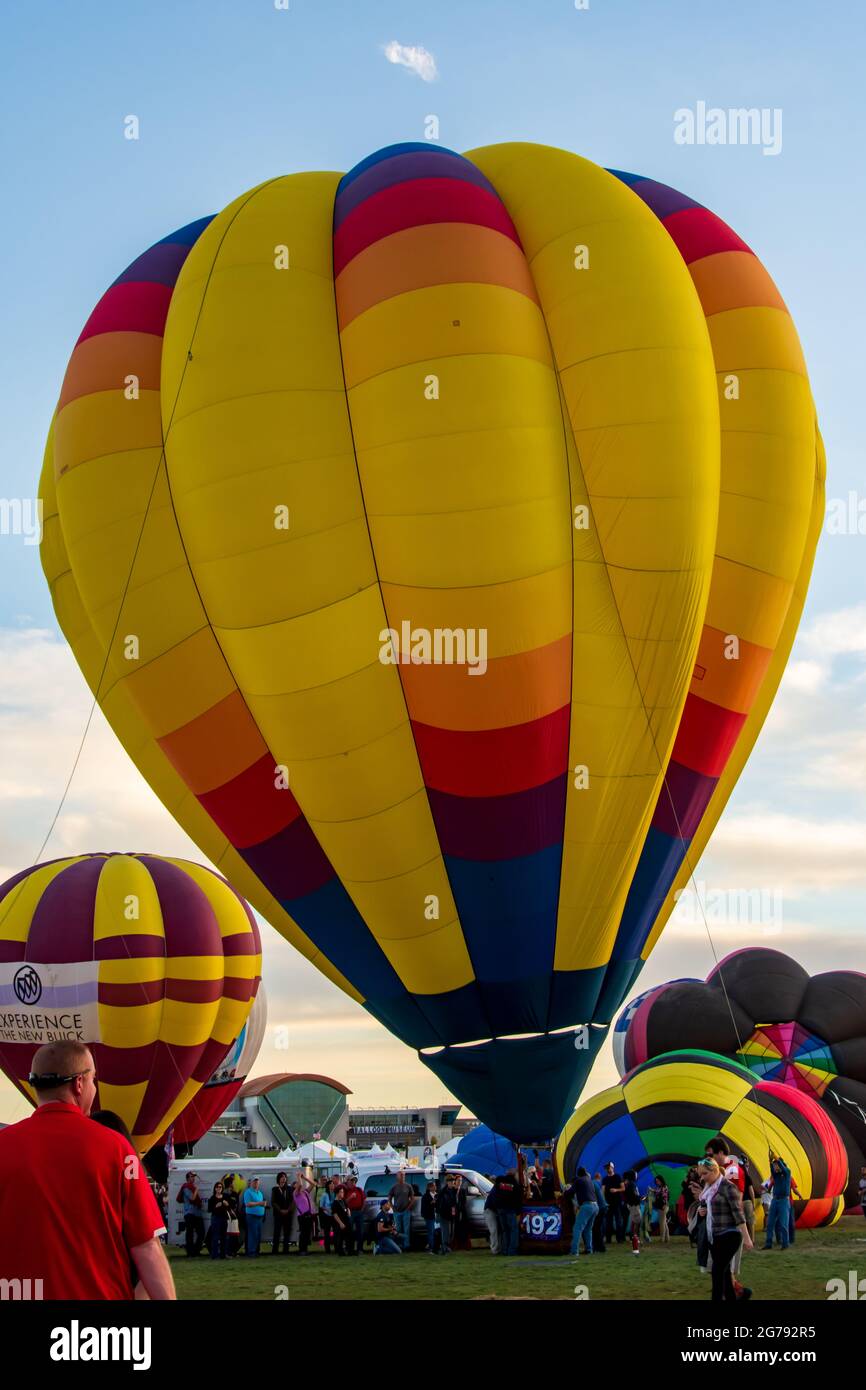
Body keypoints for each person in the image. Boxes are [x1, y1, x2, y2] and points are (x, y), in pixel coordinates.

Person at [0, 1041, 173, 1300]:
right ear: (79, 1084)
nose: (94, 1088)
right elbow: (147, 1246)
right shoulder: (117, 1149)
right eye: (93, 1080)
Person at [689, 1157, 752, 1302]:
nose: (702, 1177)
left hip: (730, 1235)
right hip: (715, 1236)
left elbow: (738, 1214)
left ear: (715, 1170)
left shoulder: (728, 1187)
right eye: (701, 1175)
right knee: (724, 1274)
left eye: (705, 1174)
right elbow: (708, 1207)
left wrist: (747, 1238)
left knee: (717, 1272)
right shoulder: (709, 1188)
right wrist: (703, 1212)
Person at [566, 1167, 598, 1257]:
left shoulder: (579, 1180)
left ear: (578, 1174)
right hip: (595, 1206)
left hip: (587, 1206)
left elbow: (570, 1192)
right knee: (588, 1229)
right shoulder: (589, 1180)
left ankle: (574, 1251)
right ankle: (589, 1249)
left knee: (577, 1228)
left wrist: (564, 1193)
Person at [764, 1155, 792, 1251]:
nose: (775, 1167)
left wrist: (777, 1160)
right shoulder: (776, 1175)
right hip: (775, 1200)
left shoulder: (787, 1172)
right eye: (775, 1166)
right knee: (770, 1223)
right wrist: (770, 1161)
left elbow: (783, 1168)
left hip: (784, 1201)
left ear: (781, 1165)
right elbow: (771, 1169)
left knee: (783, 1224)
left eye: (777, 1165)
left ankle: (785, 1243)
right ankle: (768, 1243)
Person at [177, 1169, 205, 1257]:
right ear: (188, 1178)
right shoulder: (186, 1187)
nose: (193, 1178)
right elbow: (192, 1198)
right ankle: (190, 1252)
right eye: (192, 1177)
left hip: (197, 1213)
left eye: (194, 1177)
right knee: (190, 1233)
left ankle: (196, 1251)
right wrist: (196, 1190)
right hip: (189, 1213)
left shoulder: (191, 1187)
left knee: (201, 1232)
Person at [495, 1169, 523, 1256]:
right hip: (510, 1209)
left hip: (500, 1209)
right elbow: (518, 1200)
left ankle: (504, 1250)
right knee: (513, 1230)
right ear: (514, 1175)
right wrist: (518, 1212)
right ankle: (512, 1251)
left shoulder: (500, 1182)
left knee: (505, 1231)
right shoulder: (515, 1185)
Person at [388, 1171, 416, 1252]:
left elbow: (413, 1198)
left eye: (403, 1175)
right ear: (397, 1177)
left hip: (406, 1211)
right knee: (399, 1229)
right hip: (397, 1212)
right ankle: (399, 1246)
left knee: (406, 1229)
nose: (403, 1177)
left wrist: (408, 1208)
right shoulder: (394, 1187)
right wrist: (392, 1207)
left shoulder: (408, 1186)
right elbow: (389, 1197)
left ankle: (407, 1246)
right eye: (401, 1175)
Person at [602, 1162, 626, 1243]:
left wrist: (616, 1190)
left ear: (613, 1167)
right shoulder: (605, 1179)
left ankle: (619, 1239)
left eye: (609, 1167)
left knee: (618, 1221)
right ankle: (608, 1239)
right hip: (608, 1203)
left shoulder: (618, 1177)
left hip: (617, 1203)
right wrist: (603, 1201)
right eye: (607, 1168)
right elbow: (603, 1191)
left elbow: (623, 1188)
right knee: (609, 1222)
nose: (608, 1169)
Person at [271, 1171, 294, 1255]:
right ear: (279, 1179)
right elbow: (273, 1202)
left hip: (288, 1214)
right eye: (282, 1177)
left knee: (287, 1232)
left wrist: (288, 1210)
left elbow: (292, 1201)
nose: (284, 1178)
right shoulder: (275, 1189)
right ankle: (275, 1250)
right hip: (278, 1214)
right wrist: (280, 1210)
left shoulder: (289, 1188)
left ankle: (286, 1250)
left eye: (285, 1177)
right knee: (277, 1232)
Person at [243, 1177, 267, 1256]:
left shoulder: (260, 1193)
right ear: (251, 1183)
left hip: (259, 1217)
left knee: (258, 1234)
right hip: (251, 1216)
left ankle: (256, 1251)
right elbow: (248, 1204)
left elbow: (260, 1204)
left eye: (257, 1182)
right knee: (252, 1234)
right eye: (254, 1182)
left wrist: (263, 1205)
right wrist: (260, 1203)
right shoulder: (248, 1192)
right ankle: (251, 1252)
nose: (256, 1183)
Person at [208, 1181, 231, 1260]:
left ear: (222, 1188)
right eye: (217, 1187)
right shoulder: (212, 1198)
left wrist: (227, 1204)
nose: (219, 1188)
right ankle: (214, 1255)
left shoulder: (226, 1196)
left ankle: (223, 1255)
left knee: (224, 1237)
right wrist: (216, 1206)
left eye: (220, 1187)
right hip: (215, 1218)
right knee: (215, 1237)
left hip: (224, 1218)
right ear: (215, 1188)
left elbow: (230, 1207)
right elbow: (209, 1209)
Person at [437, 1172, 458, 1255]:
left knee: (450, 1232)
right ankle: (444, 1248)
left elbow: (454, 1203)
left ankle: (446, 1247)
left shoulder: (453, 1190)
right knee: (445, 1232)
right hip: (444, 1214)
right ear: (447, 1182)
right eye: (451, 1181)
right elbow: (440, 1203)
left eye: (453, 1181)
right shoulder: (443, 1191)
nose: (453, 1183)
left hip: (451, 1214)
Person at [293, 1175, 315, 1254]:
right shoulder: (296, 1193)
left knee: (307, 1233)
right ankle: (302, 1250)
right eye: (296, 1184)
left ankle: (305, 1249)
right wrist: (299, 1177)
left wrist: (304, 1177)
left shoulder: (305, 1192)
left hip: (309, 1215)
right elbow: (300, 1185)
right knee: (303, 1233)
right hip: (302, 1216)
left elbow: (313, 1184)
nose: (298, 1184)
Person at [345, 1176, 366, 1254]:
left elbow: (364, 1200)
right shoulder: (346, 1191)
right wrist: (350, 1197)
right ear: (348, 1182)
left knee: (360, 1231)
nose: (353, 1182)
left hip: (359, 1212)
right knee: (349, 1230)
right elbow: (344, 1203)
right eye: (351, 1181)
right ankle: (350, 1248)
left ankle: (360, 1249)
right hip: (350, 1212)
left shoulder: (359, 1190)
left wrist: (362, 1210)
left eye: (354, 1181)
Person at [623, 1170, 642, 1254]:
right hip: (634, 1205)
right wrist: (640, 1198)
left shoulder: (629, 1184)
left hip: (631, 1205)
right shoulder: (632, 1185)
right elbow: (634, 1196)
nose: (636, 1176)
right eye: (636, 1175)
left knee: (634, 1221)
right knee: (637, 1221)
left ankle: (634, 1238)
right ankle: (634, 1238)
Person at [332, 1185, 353, 1255]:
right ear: (337, 1193)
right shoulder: (335, 1203)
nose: (342, 1193)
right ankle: (340, 1251)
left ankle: (350, 1250)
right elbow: (335, 1215)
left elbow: (347, 1207)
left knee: (349, 1236)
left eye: (343, 1192)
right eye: (341, 1192)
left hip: (346, 1220)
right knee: (340, 1237)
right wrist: (340, 1223)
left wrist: (348, 1211)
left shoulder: (343, 1200)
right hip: (341, 1222)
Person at [423, 1181, 442, 1253]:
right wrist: (432, 1203)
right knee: (431, 1231)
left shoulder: (437, 1195)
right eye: (433, 1186)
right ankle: (431, 1247)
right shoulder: (426, 1196)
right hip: (429, 1216)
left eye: (435, 1186)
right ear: (429, 1188)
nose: (435, 1187)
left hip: (437, 1216)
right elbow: (424, 1207)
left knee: (438, 1231)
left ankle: (438, 1246)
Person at [318, 1177, 336, 1253]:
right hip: (327, 1216)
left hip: (334, 1215)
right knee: (327, 1232)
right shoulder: (324, 1195)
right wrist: (327, 1210)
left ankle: (336, 1247)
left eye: (333, 1184)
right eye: (331, 1184)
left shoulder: (335, 1194)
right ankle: (327, 1249)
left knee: (336, 1231)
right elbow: (321, 1205)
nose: (332, 1185)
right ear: (328, 1186)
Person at [591, 1172, 607, 1253]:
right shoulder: (597, 1183)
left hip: (599, 1208)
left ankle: (598, 1247)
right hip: (603, 1207)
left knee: (595, 1228)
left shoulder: (592, 1184)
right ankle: (599, 1247)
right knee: (598, 1228)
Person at [483, 1180, 500, 1255]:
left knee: (495, 1231)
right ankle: (494, 1249)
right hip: (489, 1211)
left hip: (492, 1210)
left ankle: (497, 1248)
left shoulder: (495, 1189)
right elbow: (494, 1203)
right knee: (493, 1230)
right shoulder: (495, 1190)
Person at [653, 1174, 670, 1243]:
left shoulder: (664, 1187)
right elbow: (657, 1193)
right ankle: (666, 1238)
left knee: (662, 1223)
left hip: (664, 1206)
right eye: (656, 1181)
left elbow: (665, 1197)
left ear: (661, 1180)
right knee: (664, 1223)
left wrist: (664, 1205)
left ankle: (662, 1238)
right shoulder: (659, 1187)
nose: (657, 1182)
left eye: (658, 1181)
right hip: (661, 1206)